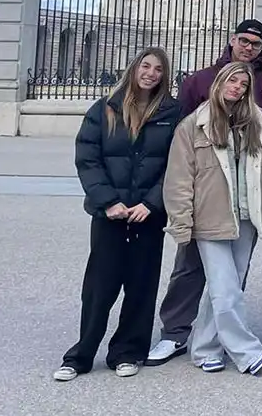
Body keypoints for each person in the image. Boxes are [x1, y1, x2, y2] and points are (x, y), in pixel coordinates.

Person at [147, 19, 262, 366]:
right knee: (197, 275)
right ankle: (194, 337)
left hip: (245, 209)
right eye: (244, 41)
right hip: (207, 207)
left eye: (256, 44)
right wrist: (181, 217)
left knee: (229, 284)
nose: (238, 87)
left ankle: (206, 347)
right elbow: (180, 162)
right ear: (232, 40)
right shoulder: (198, 85)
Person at [54, 48, 182, 382]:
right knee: (99, 287)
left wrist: (152, 203)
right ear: (134, 68)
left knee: (141, 287)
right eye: (146, 66)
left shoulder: (172, 113)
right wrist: (108, 201)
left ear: (164, 75)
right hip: (110, 215)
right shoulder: (105, 109)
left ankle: (127, 351)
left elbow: (177, 165)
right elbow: (88, 159)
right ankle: (81, 355)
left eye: (158, 69)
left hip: (147, 215)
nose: (151, 73)